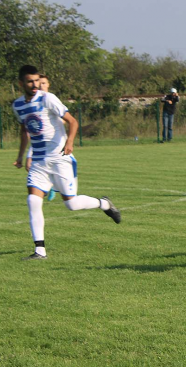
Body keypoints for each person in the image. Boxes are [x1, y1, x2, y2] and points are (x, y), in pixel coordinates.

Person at [13, 65, 121, 260]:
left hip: (60, 158)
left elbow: (72, 121)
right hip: (38, 160)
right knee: (32, 201)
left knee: (71, 204)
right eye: (30, 81)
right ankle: (40, 251)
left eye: (37, 80)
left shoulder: (48, 98)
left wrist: (69, 142)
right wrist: (21, 156)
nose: (35, 84)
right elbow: (24, 131)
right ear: (21, 83)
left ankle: (104, 204)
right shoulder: (18, 105)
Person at [25, 73, 57, 202]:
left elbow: (66, 120)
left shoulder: (51, 100)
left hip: (56, 146)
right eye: (40, 83)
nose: (40, 85)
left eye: (44, 83)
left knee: (71, 202)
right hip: (39, 146)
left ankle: (52, 187)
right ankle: (45, 188)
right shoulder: (34, 103)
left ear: (48, 85)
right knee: (30, 166)